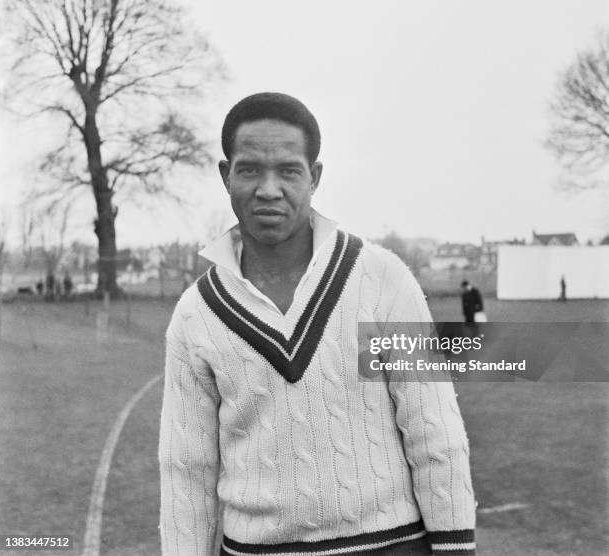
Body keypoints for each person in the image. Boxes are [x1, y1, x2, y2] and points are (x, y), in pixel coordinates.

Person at [159, 93, 476, 556]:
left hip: (390, 546)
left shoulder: (381, 278)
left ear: (315, 177)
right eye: (249, 169)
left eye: (288, 170)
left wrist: (456, 550)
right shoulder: (196, 313)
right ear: (226, 175)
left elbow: (435, 432)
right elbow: (187, 468)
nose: (269, 189)